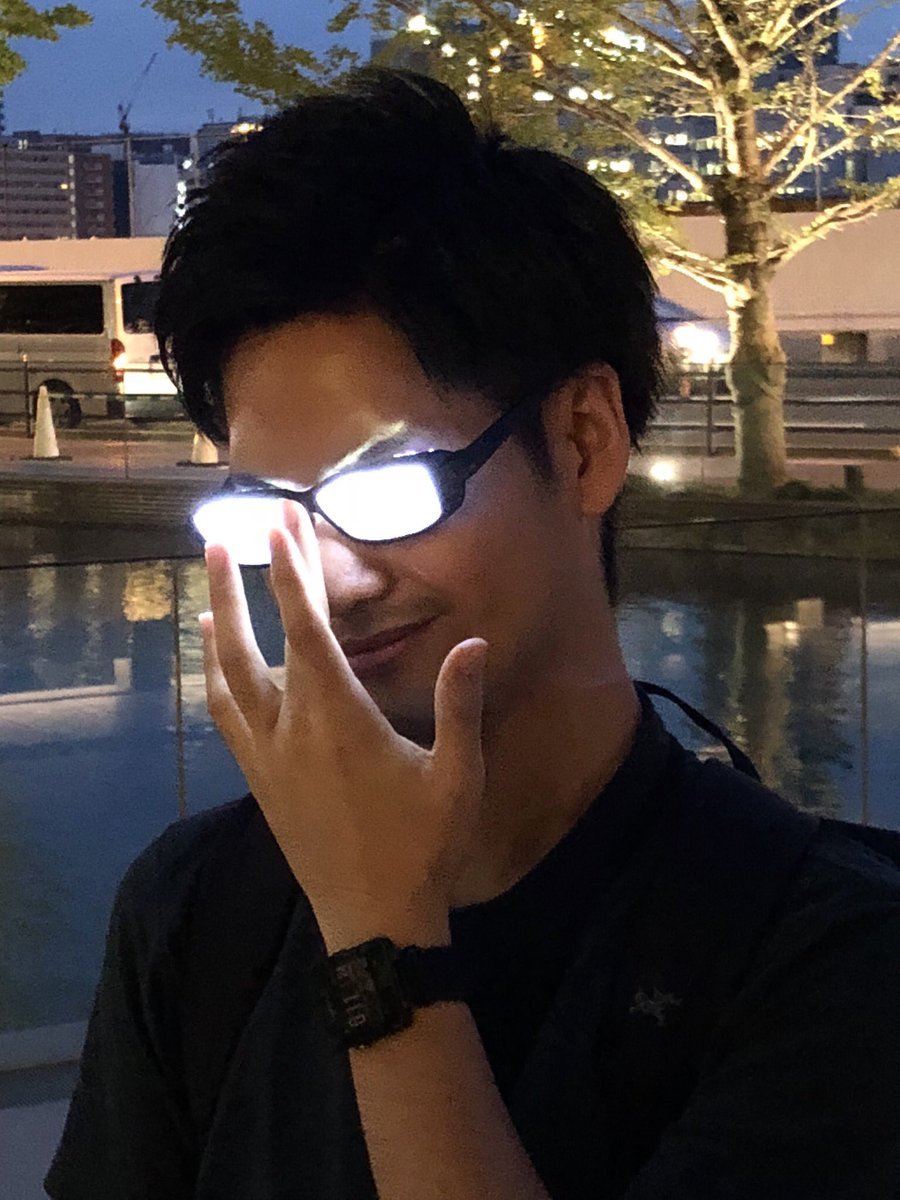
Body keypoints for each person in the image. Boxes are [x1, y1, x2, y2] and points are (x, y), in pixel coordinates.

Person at [46, 67, 900, 1200]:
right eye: (269, 510)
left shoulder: (830, 951)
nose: (331, 578)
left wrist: (382, 945)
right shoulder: (201, 909)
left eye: (389, 487)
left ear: (586, 441)